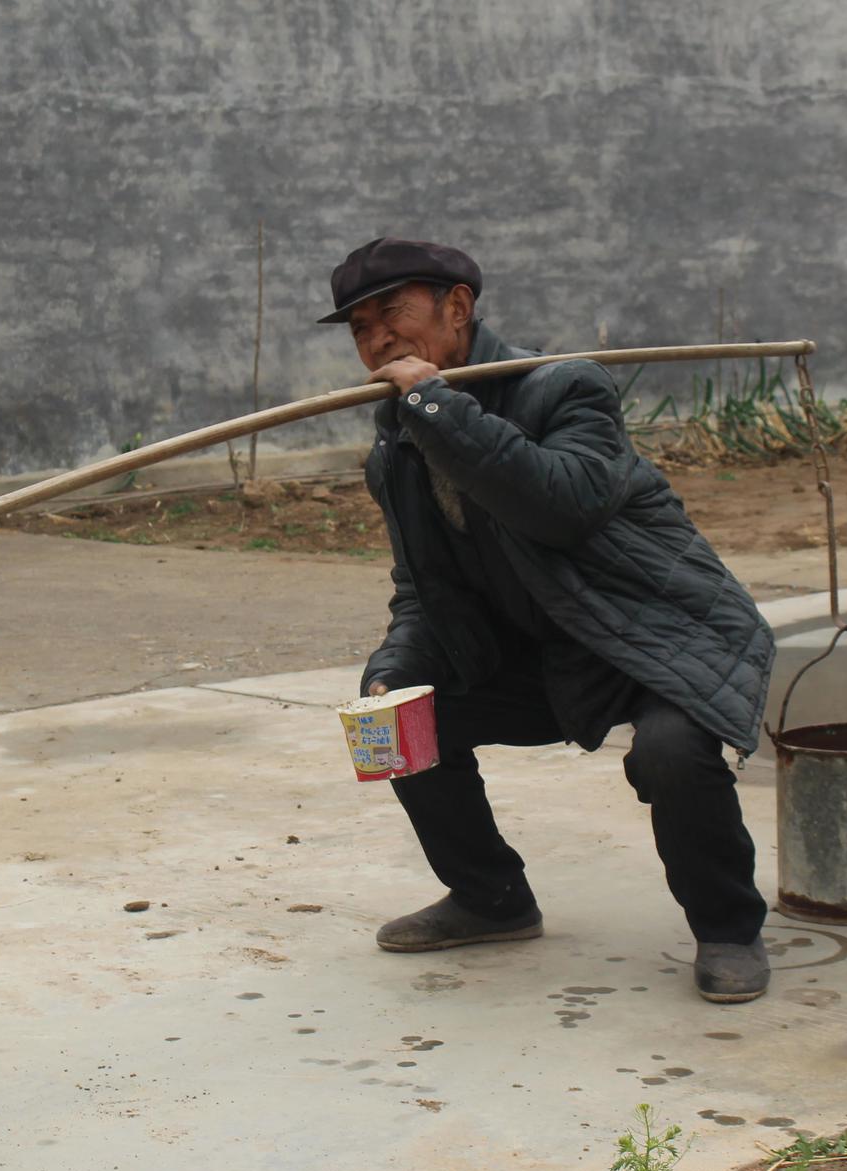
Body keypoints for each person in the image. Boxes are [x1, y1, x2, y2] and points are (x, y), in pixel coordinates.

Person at [320, 236, 779, 1003]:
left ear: (458, 307)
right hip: (541, 656)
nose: (376, 341)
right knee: (403, 717)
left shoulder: (565, 389)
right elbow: (423, 586)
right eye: (360, 328)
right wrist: (395, 664)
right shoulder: (397, 449)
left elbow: (562, 504)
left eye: (391, 314)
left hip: (651, 640)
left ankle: (729, 929)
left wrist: (437, 405)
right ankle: (491, 900)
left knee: (671, 750)